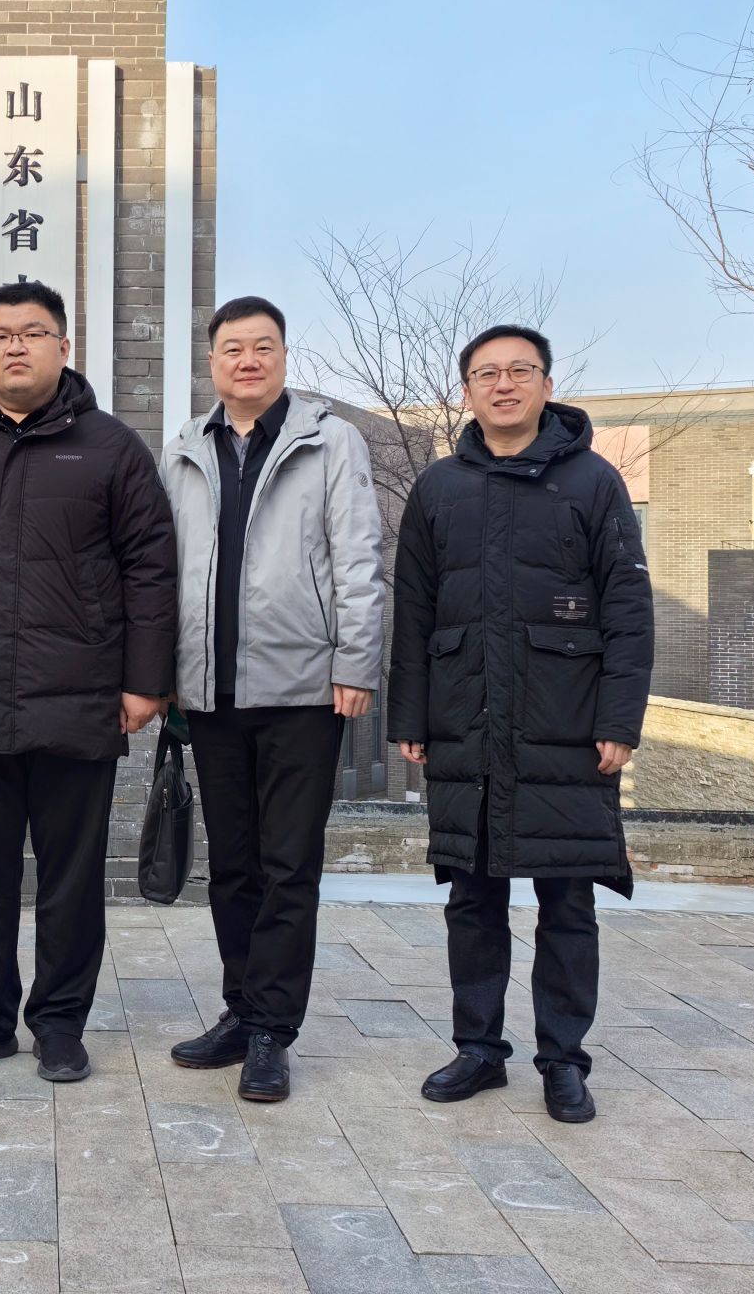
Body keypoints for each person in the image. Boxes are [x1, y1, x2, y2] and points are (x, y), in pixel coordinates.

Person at [0, 281, 176, 1084]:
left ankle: (59, 1024)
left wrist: (145, 682)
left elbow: (151, 569)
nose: (15, 346)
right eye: (0, 334)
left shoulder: (111, 447)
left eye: (32, 332)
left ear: (63, 346)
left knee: (70, 881)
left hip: (79, 700)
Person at [387, 324, 653, 1125]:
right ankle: (478, 1049)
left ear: (546, 385)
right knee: (472, 899)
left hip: (565, 726)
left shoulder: (594, 482)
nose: (503, 385)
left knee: (567, 901)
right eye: (486, 374)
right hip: (465, 721)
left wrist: (619, 719)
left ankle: (563, 1061)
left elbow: (629, 611)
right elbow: (414, 611)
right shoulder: (438, 489)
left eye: (519, 371)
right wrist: (411, 715)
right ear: (467, 390)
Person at [159, 295, 385, 1104]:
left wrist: (356, 662)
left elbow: (358, 556)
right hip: (210, 692)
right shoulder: (185, 449)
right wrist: (164, 673)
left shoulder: (329, 440)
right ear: (212, 362)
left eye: (262, 347)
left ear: (284, 357)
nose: (247, 360)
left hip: (302, 690)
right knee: (232, 866)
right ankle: (241, 1009)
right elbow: (165, 569)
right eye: (232, 348)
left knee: (288, 867)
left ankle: (272, 1033)